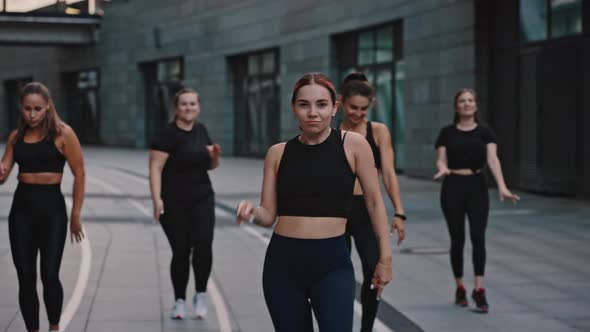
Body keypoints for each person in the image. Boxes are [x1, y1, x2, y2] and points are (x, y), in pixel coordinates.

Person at [236, 72, 393, 332]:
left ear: (334, 108)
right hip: (282, 265)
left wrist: (385, 259)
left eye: (321, 104)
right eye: (304, 104)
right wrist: (253, 212)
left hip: (332, 264)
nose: (313, 112)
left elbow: (375, 203)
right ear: (293, 108)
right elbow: (269, 214)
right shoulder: (277, 153)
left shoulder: (353, 145)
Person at [0, 82, 86, 332]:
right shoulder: (16, 137)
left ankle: (54, 327)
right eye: (27, 109)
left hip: (53, 213)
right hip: (21, 214)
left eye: (37, 108)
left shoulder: (63, 134)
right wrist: (2, 171)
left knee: (49, 275)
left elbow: (79, 173)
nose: (32, 114)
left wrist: (76, 215)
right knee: (26, 278)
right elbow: (4, 173)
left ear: (48, 106)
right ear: (21, 109)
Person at [434, 88, 520, 313]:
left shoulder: (485, 133)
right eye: (462, 101)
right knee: (457, 239)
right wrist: (442, 168)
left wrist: (502, 186)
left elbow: (493, 160)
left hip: (477, 187)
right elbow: (441, 160)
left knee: (478, 238)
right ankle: (460, 287)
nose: (466, 104)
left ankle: (479, 290)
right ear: (456, 106)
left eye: (470, 100)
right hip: (452, 186)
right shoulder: (446, 132)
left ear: (476, 105)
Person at [338, 72, 406, 331]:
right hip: (338, 213)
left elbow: (388, 174)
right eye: (353, 107)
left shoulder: (378, 131)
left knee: (373, 274)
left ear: (372, 105)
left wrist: (399, 212)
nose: (358, 113)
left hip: (367, 211)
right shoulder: (333, 132)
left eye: (364, 109)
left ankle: (366, 329)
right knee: (338, 276)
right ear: (342, 102)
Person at [149, 87, 221, 320]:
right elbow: (155, 168)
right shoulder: (166, 135)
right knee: (181, 252)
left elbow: (210, 166)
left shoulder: (201, 130)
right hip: (174, 201)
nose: (189, 108)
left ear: (198, 107)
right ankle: (179, 300)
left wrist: (215, 155)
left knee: (203, 245)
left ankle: (200, 294)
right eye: (184, 104)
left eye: (193, 104)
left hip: (202, 197)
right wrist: (156, 199)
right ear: (176, 108)